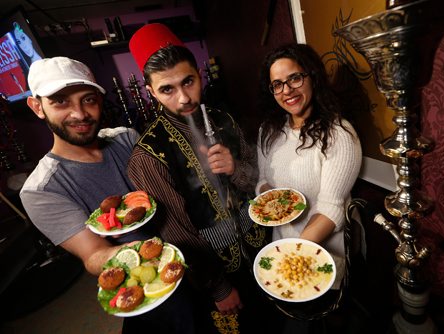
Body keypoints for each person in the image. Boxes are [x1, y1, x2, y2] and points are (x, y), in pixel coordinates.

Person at [19, 56, 196, 333]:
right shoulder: (42, 189)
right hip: (147, 283)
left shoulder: (125, 138)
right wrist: (152, 254)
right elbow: (94, 255)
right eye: (61, 101)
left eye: (88, 99)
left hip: (196, 251)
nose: (79, 113)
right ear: (37, 106)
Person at [127, 23, 280, 333]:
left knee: (274, 321)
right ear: (150, 91)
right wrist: (217, 287)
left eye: (189, 81)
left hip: (263, 242)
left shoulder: (223, 118)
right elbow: (175, 232)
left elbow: (261, 182)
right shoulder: (148, 155)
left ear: (199, 73)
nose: (184, 97)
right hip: (215, 267)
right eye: (167, 89)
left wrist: (236, 168)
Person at [256, 43, 363, 331]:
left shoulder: (339, 133)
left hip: (319, 255)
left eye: (294, 78)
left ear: (312, 76)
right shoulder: (268, 131)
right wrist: (269, 199)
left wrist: (291, 257)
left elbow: (331, 207)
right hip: (280, 248)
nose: (286, 90)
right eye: (277, 84)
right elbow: (263, 183)